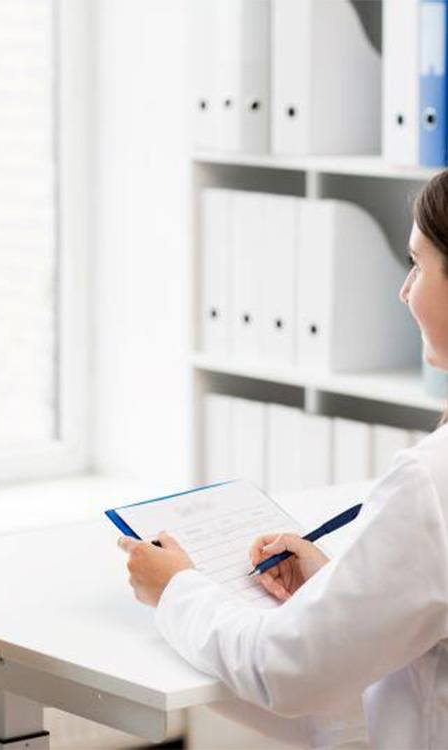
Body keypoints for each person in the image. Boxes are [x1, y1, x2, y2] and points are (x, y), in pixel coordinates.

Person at [120, 171, 448, 750]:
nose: (405, 290)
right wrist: (339, 589)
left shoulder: (430, 482)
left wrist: (175, 589)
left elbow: (283, 670)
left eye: (418, 265)